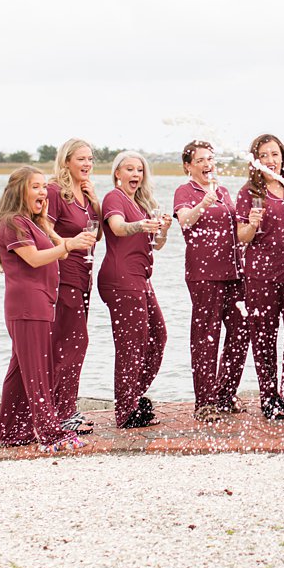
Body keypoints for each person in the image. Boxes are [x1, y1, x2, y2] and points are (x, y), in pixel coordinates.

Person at [0, 166, 97, 451]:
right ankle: (50, 432)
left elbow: (61, 246)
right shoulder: (12, 224)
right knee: (37, 372)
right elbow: (33, 259)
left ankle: (12, 433)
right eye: (36, 187)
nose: (43, 192)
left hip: (40, 303)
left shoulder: (32, 221)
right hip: (27, 306)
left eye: (44, 187)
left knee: (20, 371)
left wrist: (55, 227)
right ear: (18, 190)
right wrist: (68, 243)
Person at [175, 140, 250, 421]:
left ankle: (226, 393)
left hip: (235, 272)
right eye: (201, 160)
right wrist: (202, 205)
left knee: (242, 332)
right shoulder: (185, 191)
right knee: (206, 336)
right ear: (188, 166)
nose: (208, 164)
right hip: (204, 274)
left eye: (210, 158)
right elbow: (184, 221)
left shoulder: (223, 191)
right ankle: (204, 403)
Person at [99, 152, 170, 429]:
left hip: (141, 279)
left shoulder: (140, 203)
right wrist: (140, 225)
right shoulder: (114, 198)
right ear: (118, 173)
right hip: (120, 279)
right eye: (129, 169)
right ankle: (126, 411)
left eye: (139, 169)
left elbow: (157, 245)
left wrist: (162, 229)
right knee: (131, 346)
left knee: (158, 336)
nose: (135, 174)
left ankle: (133, 397)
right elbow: (117, 228)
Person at [236, 134, 284, 420]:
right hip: (261, 275)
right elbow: (241, 237)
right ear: (256, 160)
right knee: (263, 336)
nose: (271, 160)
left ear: (282, 157)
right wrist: (252, 225)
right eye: (264, 155)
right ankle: (269, 396)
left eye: (275, 154)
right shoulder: (249, 192)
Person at [46, 138, 102, 435]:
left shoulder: (85, 192)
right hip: (63, 273)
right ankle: (61, 411)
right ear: (66, 160)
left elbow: (98, 236)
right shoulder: (55, 191)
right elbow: (44, 229)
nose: (87, 164)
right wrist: (67, 245)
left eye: (90, 159)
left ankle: (63, 407)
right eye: (81, 159)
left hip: (85, 275)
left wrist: (95, 203)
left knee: (71, 343)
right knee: (73, 342)